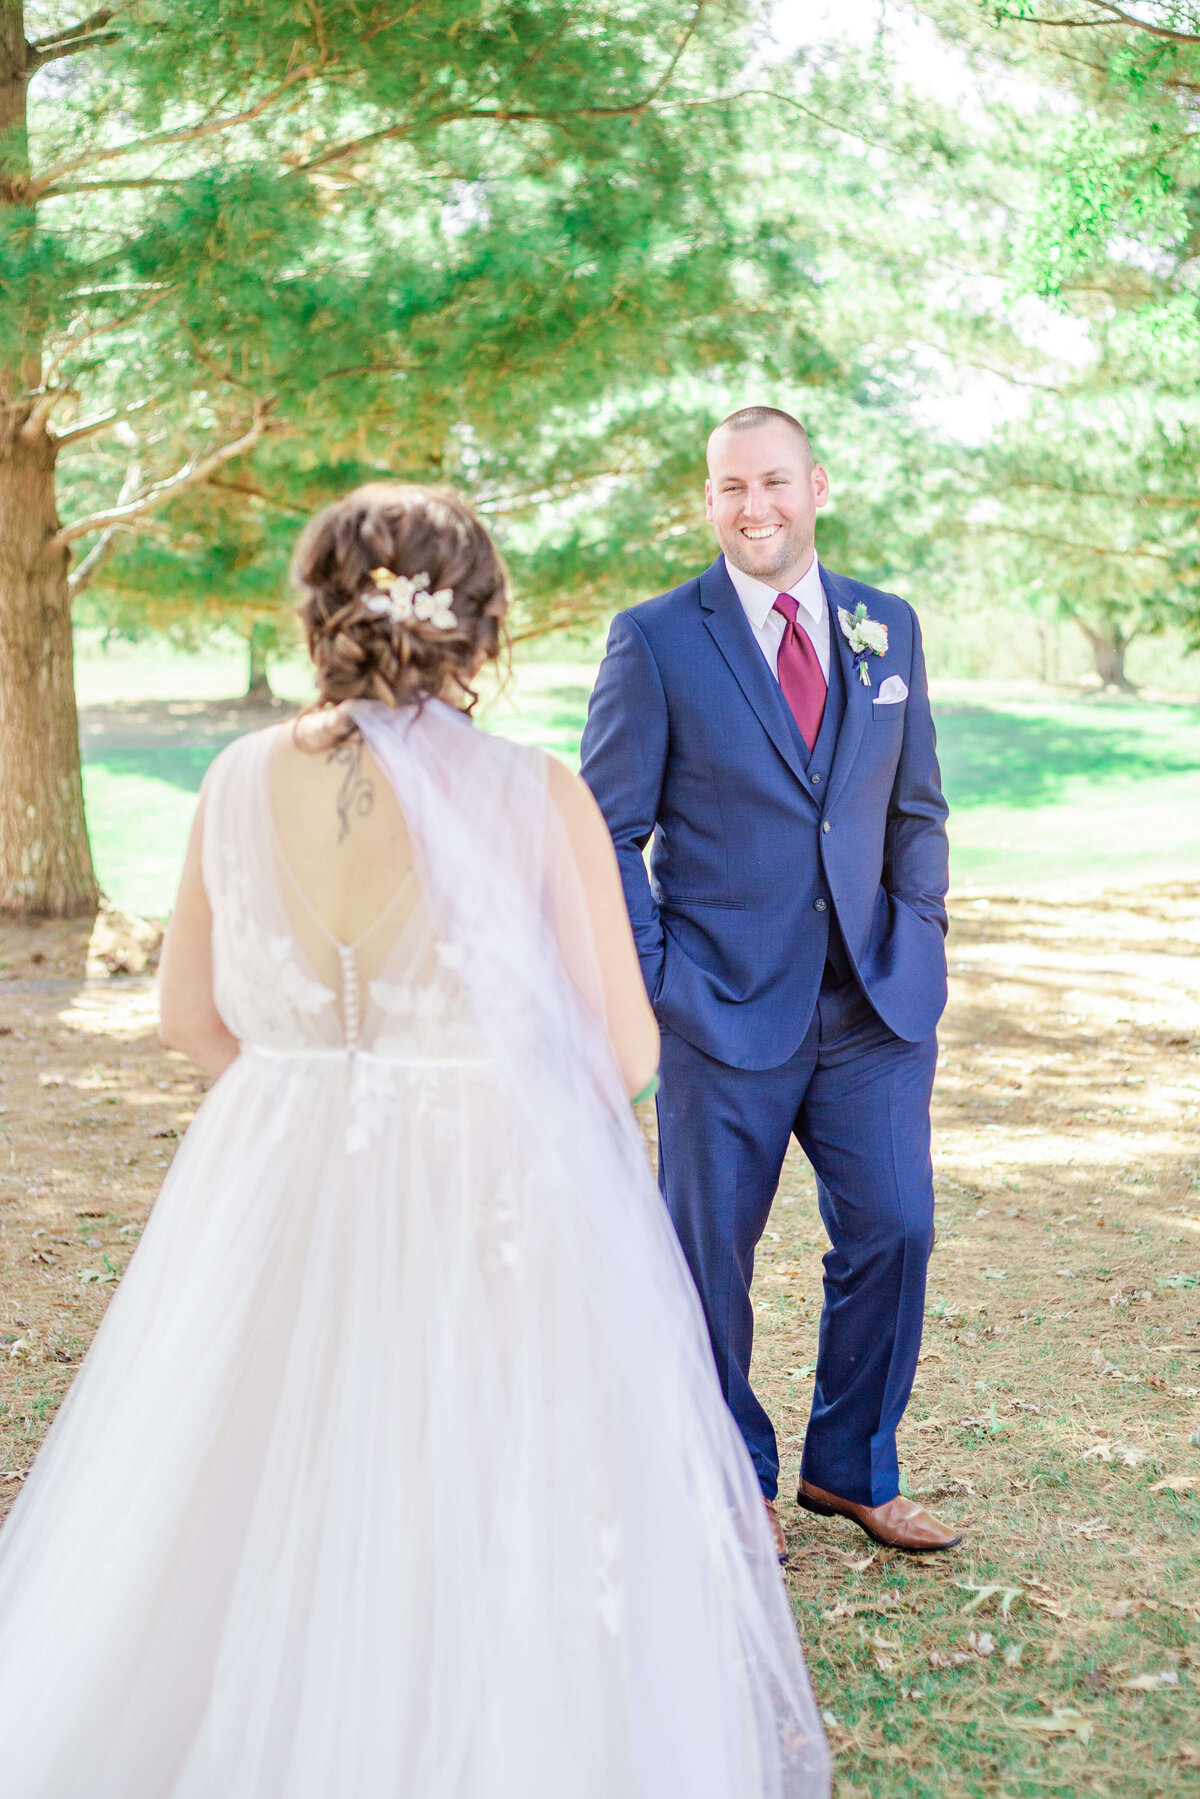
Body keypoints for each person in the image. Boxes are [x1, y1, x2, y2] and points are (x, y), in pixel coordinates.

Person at [0, 483, 829, 1798]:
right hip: (481, 1189)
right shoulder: (536, 793)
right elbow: (624, 1050)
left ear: (321, 615)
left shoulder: (231, 778)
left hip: (270, 1180)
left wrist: (315, 1095)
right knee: (464, 1482)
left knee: (241, 1474)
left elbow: (187, 1015)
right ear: (480, 625)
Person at [580, 407, 960, 1558]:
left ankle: (851, 1467)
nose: (756, 506)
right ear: (708, 499)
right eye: (731, 487)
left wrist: (925, 928)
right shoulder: (654, 639)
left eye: (776, 483)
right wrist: (658, 979)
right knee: (709, 1256)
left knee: (896, 1227)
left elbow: (918, 805)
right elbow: (606, 828)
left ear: (816, 485)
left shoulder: (884, 625)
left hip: (874, 1003)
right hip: (721, 1004)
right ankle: (729, 1473)